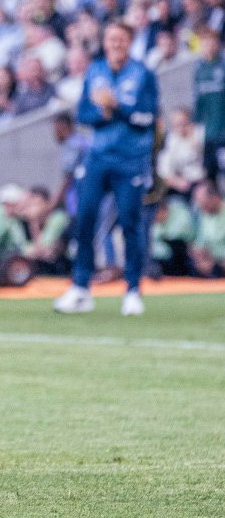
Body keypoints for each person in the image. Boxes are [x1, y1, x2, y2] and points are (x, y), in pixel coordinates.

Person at [55, 22, 158, 317]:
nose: (115, 44)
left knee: (130, 222)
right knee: (85, 218)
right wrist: (103, 111)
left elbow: (148, 116)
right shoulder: (96, 70)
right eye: (111, 39)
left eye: (121, 39)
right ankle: (81, 287)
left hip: (130, 159)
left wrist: (117, 108)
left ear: (130, 41)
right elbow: (83, 114)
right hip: (98, 155)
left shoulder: (142, 74)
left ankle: (133, 289)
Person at [191, 28, 225, 182]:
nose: (209, 46)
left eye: (212, 41)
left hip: (223, 131)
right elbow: (197, 104)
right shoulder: (197, 69)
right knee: (208, 177)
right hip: (207, 134)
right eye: (205, 42)